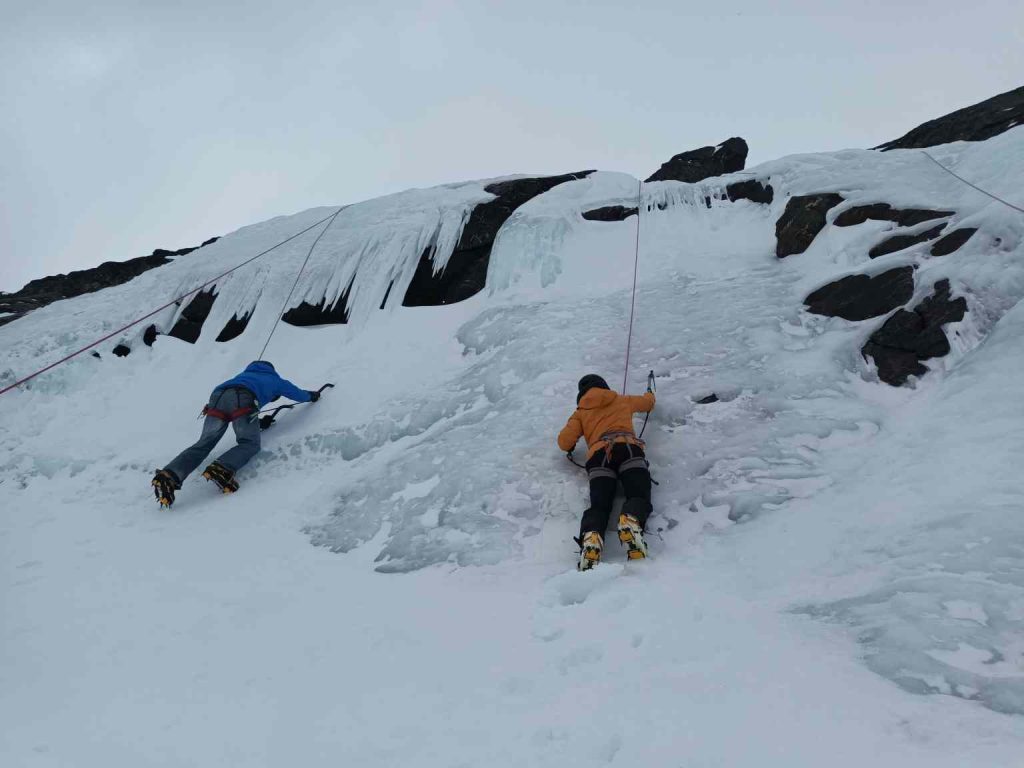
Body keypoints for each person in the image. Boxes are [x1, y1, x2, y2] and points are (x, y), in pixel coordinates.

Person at [152, 360, 320, 507]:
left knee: (204, 444)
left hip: (217, 397)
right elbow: (298, 394)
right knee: (250, 443)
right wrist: (312, 396)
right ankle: (223, 468)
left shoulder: (242, 376)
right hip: (243, 398)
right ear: (272, 370)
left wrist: (257, 423)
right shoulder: (274, 379)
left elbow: (232, 406)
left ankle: (169, 475)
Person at [557, 374, 655, 570]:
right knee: (638, 493)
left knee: (599, 505)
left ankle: (591, 538)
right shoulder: (621, 400)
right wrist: (650, 393)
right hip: (628, 449)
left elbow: (564, 442)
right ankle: (631, 520)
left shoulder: (580, 412)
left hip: (599, 457)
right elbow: (648, 404)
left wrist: (572, 445)